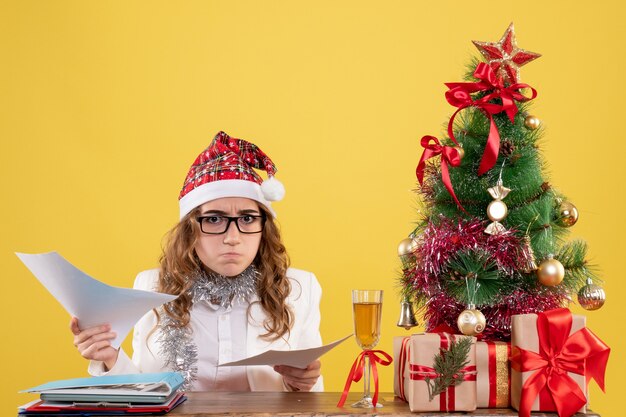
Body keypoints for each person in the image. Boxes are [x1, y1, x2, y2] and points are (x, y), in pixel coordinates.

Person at [69, 131, 323, 392]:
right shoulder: (152, 285)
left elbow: (312, 395)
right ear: (191, 229)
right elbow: (141, 393)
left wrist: (300, 384)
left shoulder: (298, 287)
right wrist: (110, 358)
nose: (232, 238)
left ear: (263, 228)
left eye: (247, 218)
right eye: (214, 219)